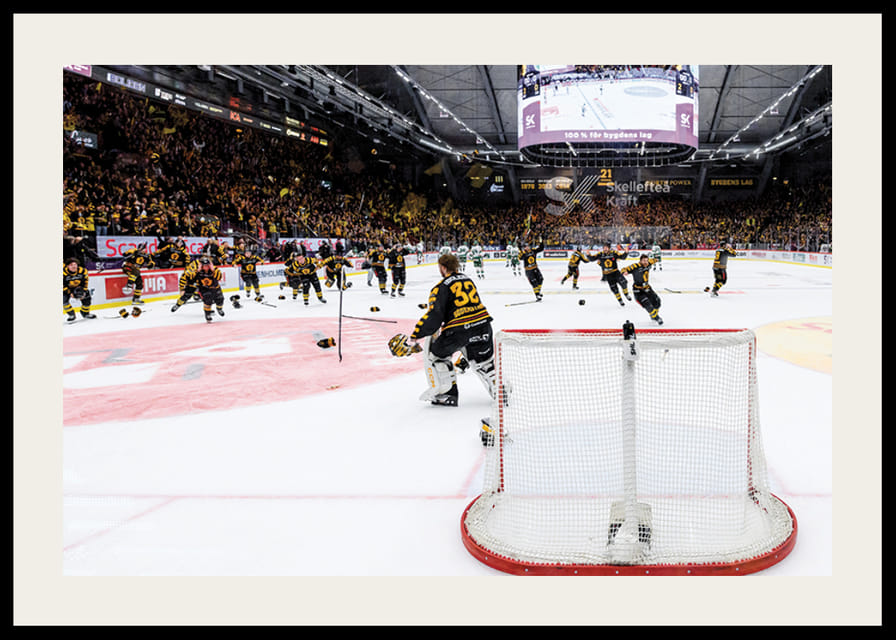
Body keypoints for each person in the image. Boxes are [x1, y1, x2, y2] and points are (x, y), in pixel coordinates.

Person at [396, 253, 495, 407]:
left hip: (459, 330)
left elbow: (434, 316)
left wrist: (416, 335)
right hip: (483, 326)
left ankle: (447, 394)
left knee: (436, 355)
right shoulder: (468, 280)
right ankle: (499, 390)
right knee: (484, 361)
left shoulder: (441, 287)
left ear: (442, 267)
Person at [620, 253, 664, 325]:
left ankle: (653, 315)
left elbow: (652, 261)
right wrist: (624, 272)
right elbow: (624, 269)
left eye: (646, 260)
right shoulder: (635, 266)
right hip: (638, 290)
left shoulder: (648, 263)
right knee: (647, 304)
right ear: (640, 261)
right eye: (644, 261)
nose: (646, 262)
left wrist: (656, 259)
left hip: (647, 288)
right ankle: (657, 318)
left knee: (657, 302)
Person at [595, 242, 633, 307]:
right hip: (608, 275)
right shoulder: (600, 255)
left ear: (609, 248)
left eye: (606, 248)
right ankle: (620, 300)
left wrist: (626, 252)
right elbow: (600, 263)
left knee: (624, 282)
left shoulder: (614, 253)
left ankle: (626, 294)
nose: (605, 249)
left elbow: (622, 257)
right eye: (604, 248)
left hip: (616, 272)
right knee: (614, 289)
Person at [190, 256, 226, 322]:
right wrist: (198, 270)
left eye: (208, 265)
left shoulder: (215, 269)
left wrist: (213, 270)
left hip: (215, 288)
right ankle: (207, 314)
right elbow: (192, 279)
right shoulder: (197, 271)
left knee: (220, 299)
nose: (206, 267)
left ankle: (219, 309)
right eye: (204, 265)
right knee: (208, 300)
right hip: (204, 289)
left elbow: (219, 277)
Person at [62, 257, 96, 321]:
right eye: (71, 265)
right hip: (67, 288)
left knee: (87, 298)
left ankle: (85, 313)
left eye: (75, 265)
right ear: (67, 266)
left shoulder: (83, 270)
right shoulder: (63, 272)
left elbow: (85, 281)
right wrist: (69, 293)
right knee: (63, 300)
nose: (74, 267)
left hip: (79, 287)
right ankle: (71, 315)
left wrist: (84, 291)